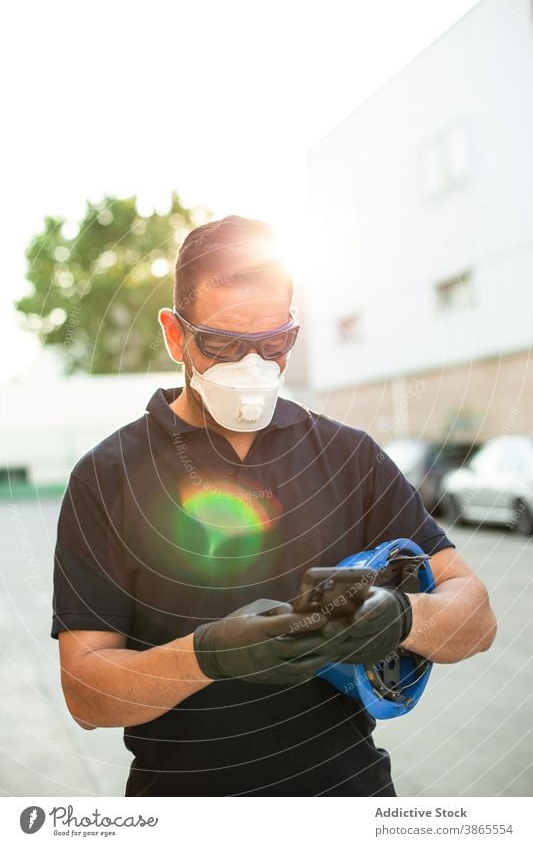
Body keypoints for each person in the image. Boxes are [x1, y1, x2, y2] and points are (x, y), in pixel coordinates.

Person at [51, 215, 497, 797]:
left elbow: (477, 618)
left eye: (273, 342)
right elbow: (86, 694)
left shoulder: (347, 456)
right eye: (223, 343)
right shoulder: (107, 476)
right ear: (174, 334)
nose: (252, 367)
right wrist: (206, 656)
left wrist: (405, 617)